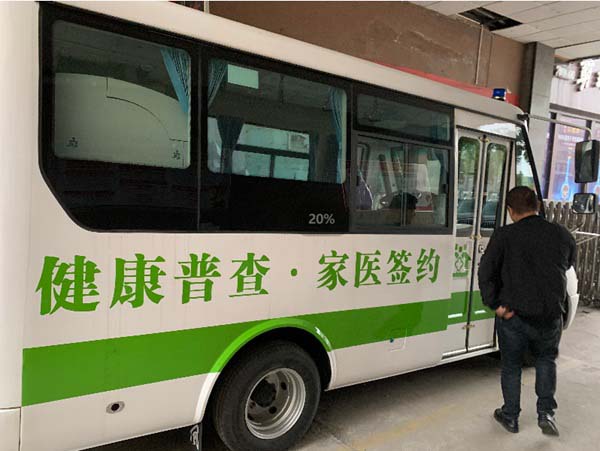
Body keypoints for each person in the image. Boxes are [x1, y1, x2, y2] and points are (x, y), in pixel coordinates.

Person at [478, 186, 576, 437]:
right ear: (538, 206)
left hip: (513, 316)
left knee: (511, 366)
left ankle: (510, 416)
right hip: (550, 316)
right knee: (546, 361)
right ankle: (546, 413)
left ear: (510, 211)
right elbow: (568, 263)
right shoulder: (561, 234)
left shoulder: (504, 236)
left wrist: (495, 304)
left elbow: (486, 272)